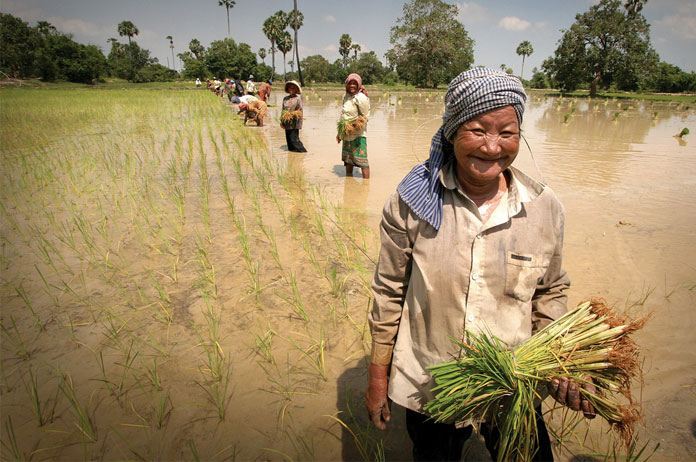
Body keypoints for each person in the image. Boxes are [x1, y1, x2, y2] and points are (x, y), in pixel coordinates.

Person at [366, 68, 595, 461]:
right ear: (452, 131)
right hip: (430, 381)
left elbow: (551, 290)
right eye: (477, 131)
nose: (492, 148)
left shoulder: (543, 207)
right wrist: (376, 376)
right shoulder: (412, 203)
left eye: (507, 133)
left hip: (513, 380)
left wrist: (561, 361)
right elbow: (389, 291)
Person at [337, 73, 370, 179]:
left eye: (354, 84)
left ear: (359, 84)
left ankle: (366, 184)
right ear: (346, 84)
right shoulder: (346, 96)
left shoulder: (361, 98)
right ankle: (349, 182)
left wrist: (353, 126)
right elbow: (343, 116)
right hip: (346, 133)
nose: (352, 86)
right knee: (348, 159)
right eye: (350, 83)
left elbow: (365, 117)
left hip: (358, 134)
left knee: (362, 161)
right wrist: (340, 133)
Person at [280, 81, 307, 152]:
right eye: (290, 88)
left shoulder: (298, 99)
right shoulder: (285, 99)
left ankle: (303, 152)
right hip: (286, 122)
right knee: (289, 141)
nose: (291, 89)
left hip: (294, 122)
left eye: (293, 88)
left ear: (296, 90)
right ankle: (292, 155)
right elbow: (283, 110)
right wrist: (282, 120)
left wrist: (291, 115)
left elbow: (299, 110)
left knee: (294, 140)